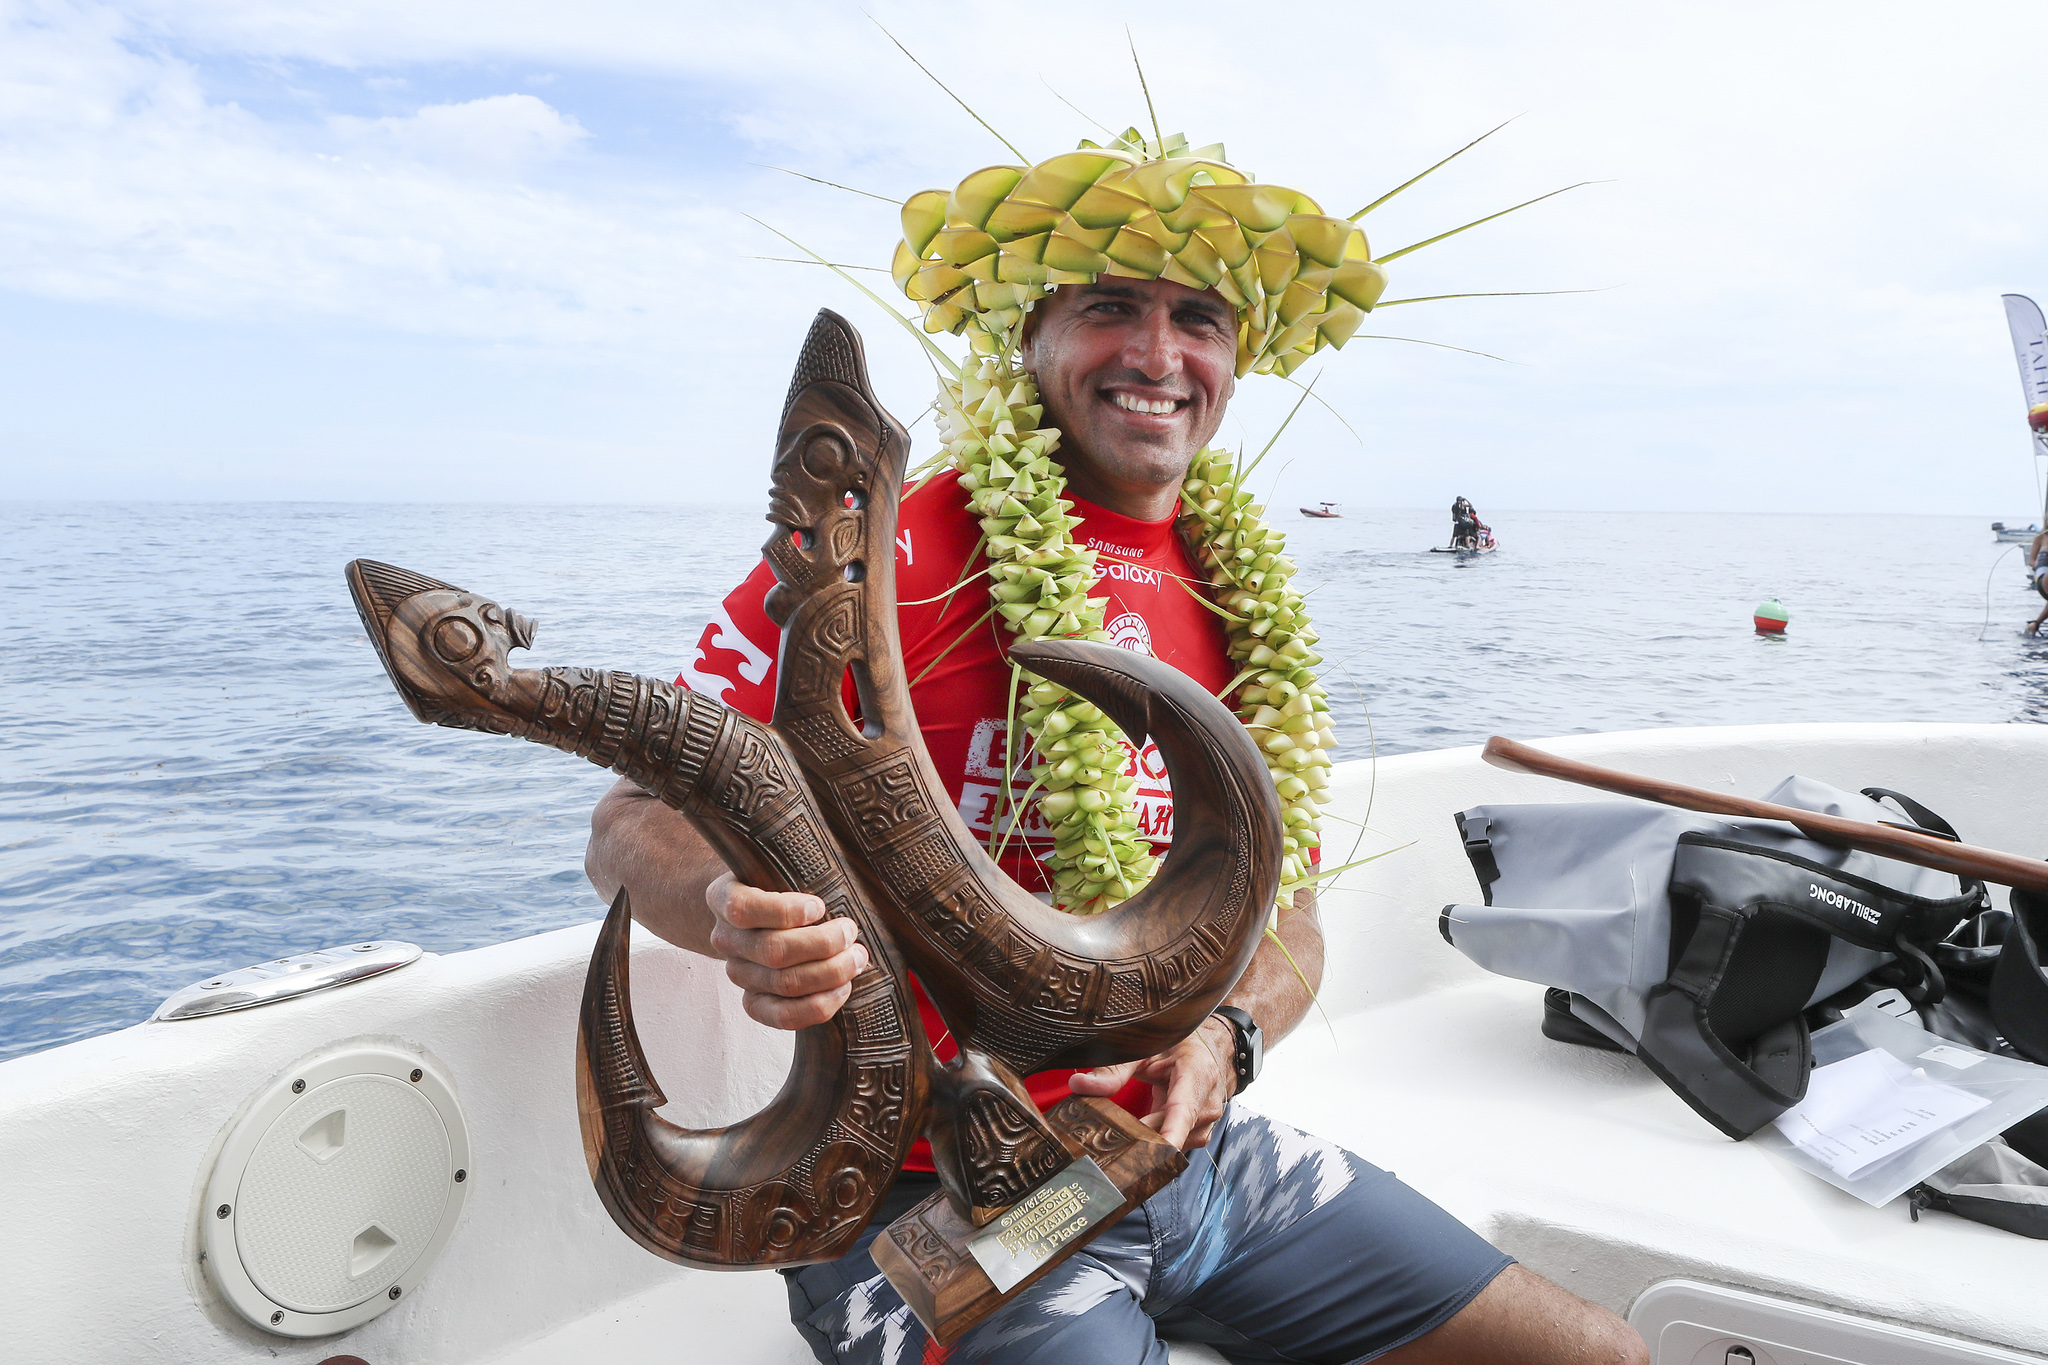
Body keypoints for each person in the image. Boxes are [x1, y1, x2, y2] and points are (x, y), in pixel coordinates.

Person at [587, 137, 1645, 1365]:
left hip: (1181, 1158)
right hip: (913, 1196)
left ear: (1235, 360)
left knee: (1598, 1356)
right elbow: (628, 824)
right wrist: (730, 907)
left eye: (1196, 318)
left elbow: (1287, 921)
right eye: (1107, 309)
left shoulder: (1245, 604)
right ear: (1025, 338)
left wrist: (1223, 1040)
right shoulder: (881, 559)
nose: (1156, 356)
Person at [2028, 529, 2048, 636]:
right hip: (2042, 574)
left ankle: (2035, 624)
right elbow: (2031, 560)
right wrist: (2040, 567)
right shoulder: (2041, 537)